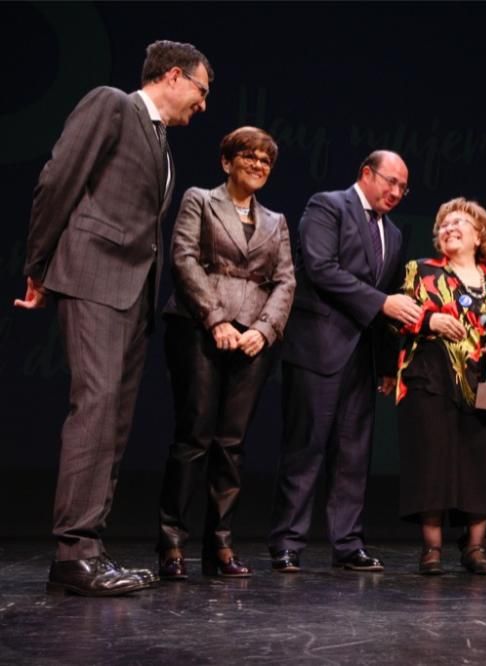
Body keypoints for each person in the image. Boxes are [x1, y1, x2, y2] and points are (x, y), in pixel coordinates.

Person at [15, 40, 212, 596]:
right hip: (95, 278)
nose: (203, 104)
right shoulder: (112, 104)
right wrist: (38, 264)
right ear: (173, 76)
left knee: (114, 422)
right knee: (96, 410)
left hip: (131, 296)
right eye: (201, 90)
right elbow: (58, 179)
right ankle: (73, 553)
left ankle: (89, 553)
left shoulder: (161, 142)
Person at [268, 150, 421, 573]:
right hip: (318, 348)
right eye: (389, 182)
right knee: (305, 449)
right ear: (365, 174)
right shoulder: (328, 205)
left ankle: (348, 543)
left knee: (354, 455)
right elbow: (320, 268)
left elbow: (389, 302)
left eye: (403, 187)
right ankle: (288, 542)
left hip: (362, 359)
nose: (395, 192)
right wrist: (381, 303)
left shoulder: (392, 231)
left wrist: (389, 364)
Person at [156, 127, 294, 580]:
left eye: (265, 161)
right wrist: (215, 318)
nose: (258, 165)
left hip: (252, 338)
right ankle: (173, 544)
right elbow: (183, 258)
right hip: (199, 328)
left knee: (231, 445)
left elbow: (285, 281)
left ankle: (220, 546)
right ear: (227, 162)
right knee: (194, 438)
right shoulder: (200, 199)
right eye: (249, 157)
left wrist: (265, 331)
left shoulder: (276, 221)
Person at [396, 197, 486, 575]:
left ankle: (475, 548)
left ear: (479, 234)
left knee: (480, 463)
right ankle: (432, 550)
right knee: (432, 462)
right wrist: (429, 321)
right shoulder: (420, 271)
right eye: (444, 224)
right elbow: (398, 315)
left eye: (458, 223)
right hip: (430, 381)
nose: (449, 228)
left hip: (484, 386)